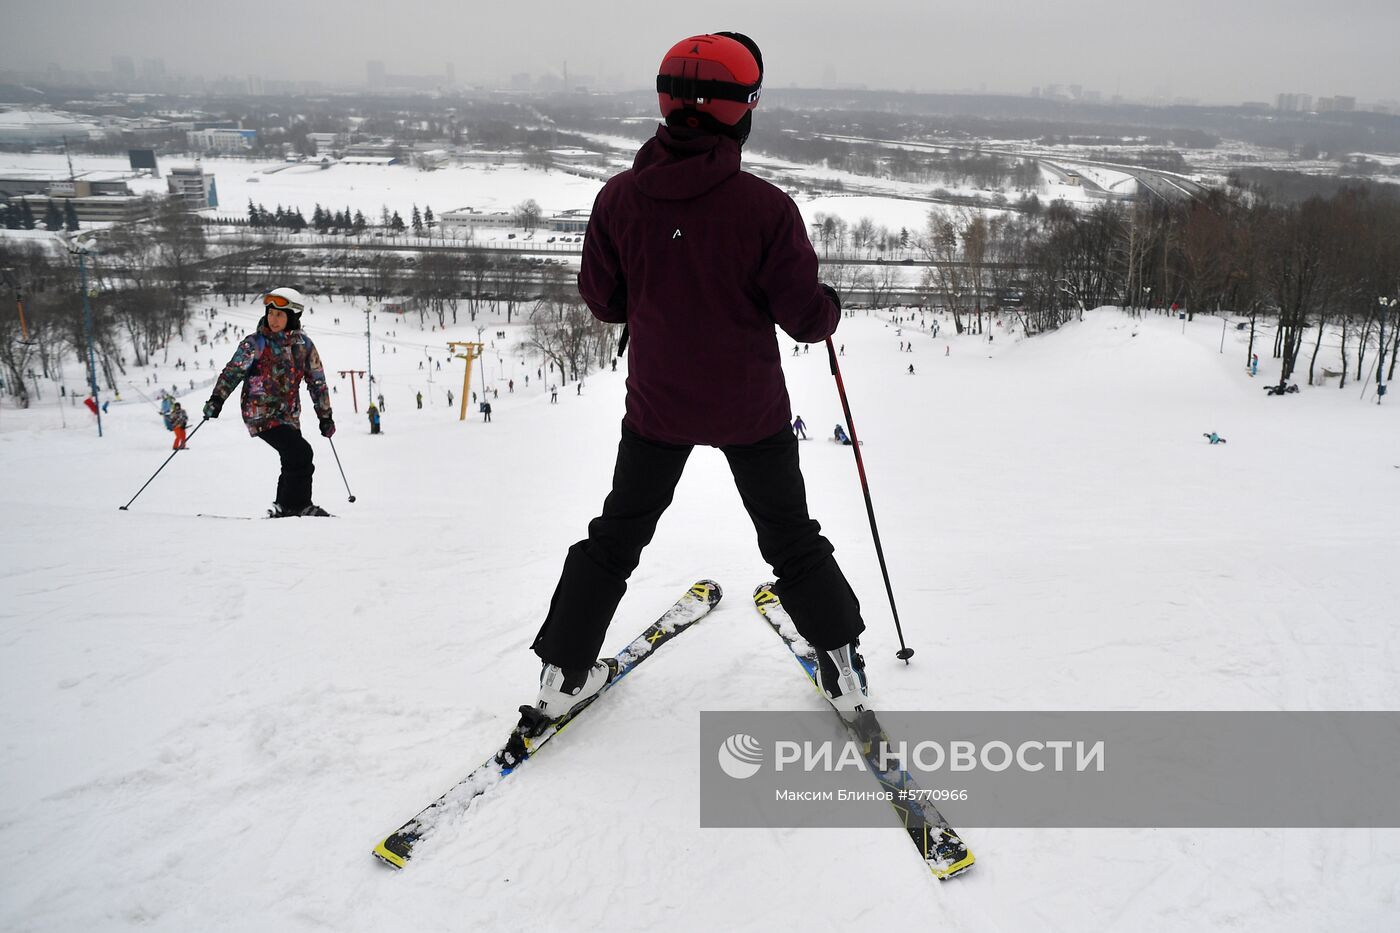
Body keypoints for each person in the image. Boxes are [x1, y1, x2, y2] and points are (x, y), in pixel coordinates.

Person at [529, 32, 871, 727]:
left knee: (617, 534)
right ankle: (840, 662)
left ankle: (562, 672)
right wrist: (828, 303)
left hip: (657, 407)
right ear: (741, 110)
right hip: (750, 411)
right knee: (789, 535)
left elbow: (603, 300)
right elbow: (806, 320)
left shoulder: (620, 199)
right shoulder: (764, 208)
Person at [203, 287, 334, 518]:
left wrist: (325, 416)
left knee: (294, 456)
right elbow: (232, 372)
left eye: (280, 315)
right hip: (259, 412)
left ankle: (287, 505)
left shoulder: (304, 345)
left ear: (292, 317)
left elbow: (317, 381)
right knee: (300, 452)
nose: (273, 319)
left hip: (288, 414)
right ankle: (296, 505)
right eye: (271, 313)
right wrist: (217, 399)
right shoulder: (255, 344)